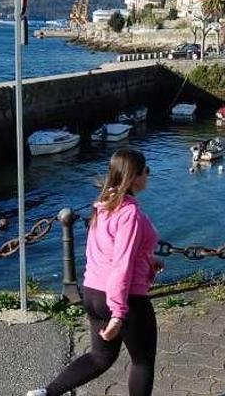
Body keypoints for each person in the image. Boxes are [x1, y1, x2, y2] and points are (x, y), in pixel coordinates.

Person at [28, 149, 162, 396]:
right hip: (125, 298)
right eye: (146, 171)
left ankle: (45, 393)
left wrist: (147, 259)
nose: (148, 176)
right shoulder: (129, 213)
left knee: (100, 358)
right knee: (143, 361)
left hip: (93, 293)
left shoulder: (103, 205)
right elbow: (121, 265)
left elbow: (101, 252)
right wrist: (119, 313)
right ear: (134, 176)